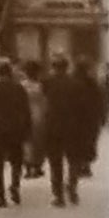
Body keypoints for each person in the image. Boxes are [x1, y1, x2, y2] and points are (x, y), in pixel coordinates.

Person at [0, 60, 30, 207]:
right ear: (9, 72)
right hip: (15, 130)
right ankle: (15, 185)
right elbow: (25, 111)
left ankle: (0, 195)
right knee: (16, 162)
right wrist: (26, 129)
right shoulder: (18, 89)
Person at [42, 56, 83, 206]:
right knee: (73, 160)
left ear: (53, 67)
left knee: (55, 162)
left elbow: (44, 103)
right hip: (72, 126)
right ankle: (72, 187)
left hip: (53, 126)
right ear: (67, 67)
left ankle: (58, 195)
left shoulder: (47, 83)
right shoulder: (76, 85)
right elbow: (81, 108)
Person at [71, 60, 105, 177]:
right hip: (90, 118)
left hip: (76, 118)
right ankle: (86, 165)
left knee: (77, 142)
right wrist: (101, 117)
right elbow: (99, 101)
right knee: (89, 142)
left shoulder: (73, 81)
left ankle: (79, 165)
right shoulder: (92, 83)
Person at [21, 63, 48, 177]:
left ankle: (27, 166)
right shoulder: (40, 86)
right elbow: (45, 102)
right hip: (39, 115)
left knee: (26, 142)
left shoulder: (22, 86)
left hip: (25, 115)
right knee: (38, 143)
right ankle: (37, 166)